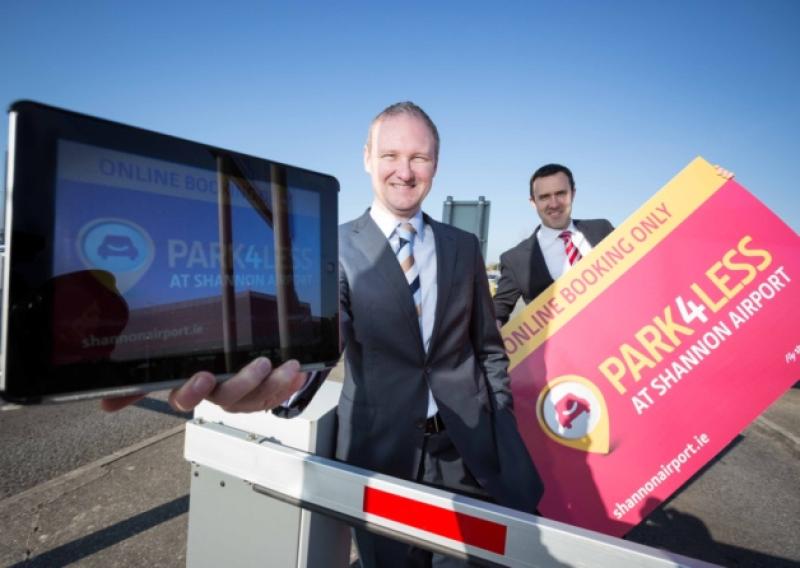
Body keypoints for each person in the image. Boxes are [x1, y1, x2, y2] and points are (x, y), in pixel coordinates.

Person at [276, 101, 543, 567]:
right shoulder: (333, 247)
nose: (404, 170)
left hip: (465, 453)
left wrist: (498, 418)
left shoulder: (462, 247)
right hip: (380, 458)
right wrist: (277, 383)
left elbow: (487, 349)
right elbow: (320, 342)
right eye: (390, 156)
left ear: (435, 165)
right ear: (366, 158)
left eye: (418, 157)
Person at [493, 163, 614, 325]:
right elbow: (498, 310)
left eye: (561, 193)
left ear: (573, 194)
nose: (554, 203)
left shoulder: (602, 230)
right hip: (563, 349)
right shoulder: (515, 259)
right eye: (544, 197)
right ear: (533, 202)